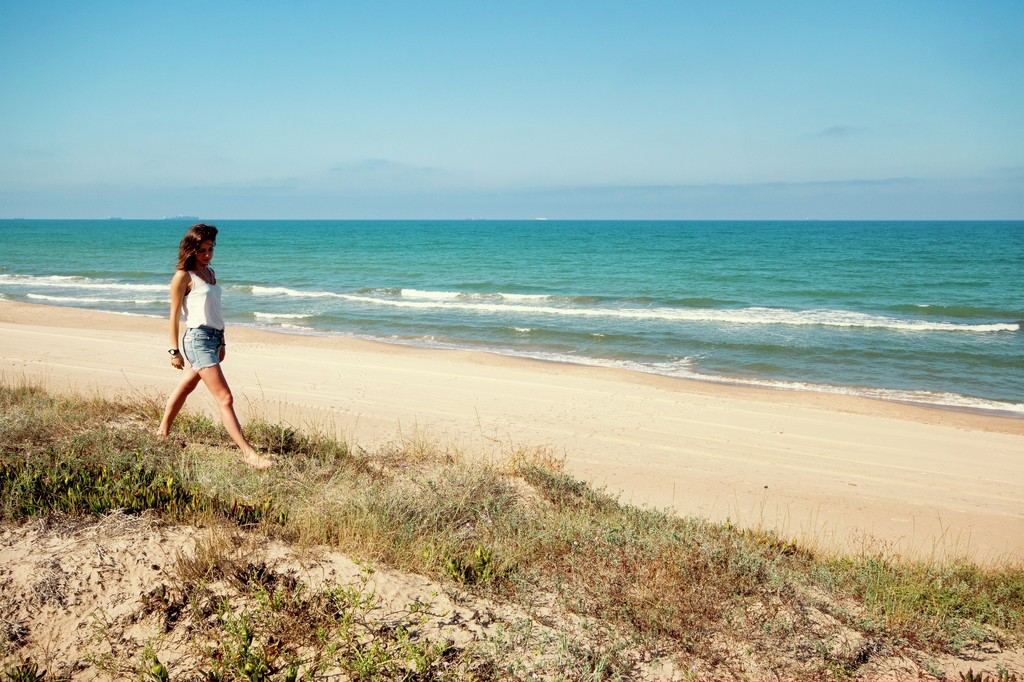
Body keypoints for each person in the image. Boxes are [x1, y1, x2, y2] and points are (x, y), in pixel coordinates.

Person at [157, 223, 275, 470]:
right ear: (190, 249)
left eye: (210, 249)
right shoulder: (183, 276)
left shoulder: (209, 273)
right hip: (196, 340)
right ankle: (249, 454)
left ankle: (161, 434)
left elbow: (216, 312)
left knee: (187, 386)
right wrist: (173, 351)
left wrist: (222, 340)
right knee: (225, 397)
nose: (207, 254)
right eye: (202, 250)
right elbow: (174, 315)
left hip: (213, 339)